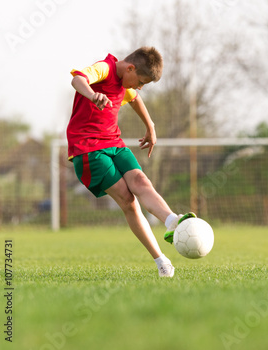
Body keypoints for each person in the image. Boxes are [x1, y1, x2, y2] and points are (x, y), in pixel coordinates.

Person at [66, 46, 195, 278]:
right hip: (88, 150)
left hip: (114, 143)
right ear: (130, 68)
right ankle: (161, 261)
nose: (139, 87)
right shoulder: (105, 69)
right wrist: (93, 94)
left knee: (141, 180)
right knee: (128, 200)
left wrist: (151, 127)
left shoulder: (126, 85)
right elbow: (78, 80)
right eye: (140, 81)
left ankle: (172, 220)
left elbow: (135, 99)